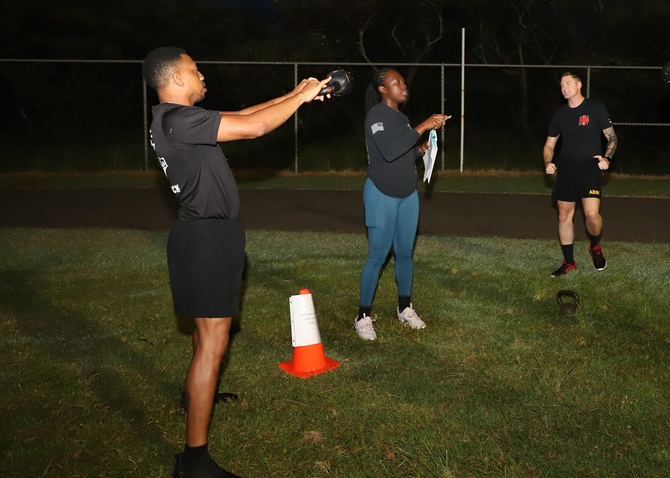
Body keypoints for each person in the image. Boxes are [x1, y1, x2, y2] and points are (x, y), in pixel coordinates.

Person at [143, 46, 330, 477]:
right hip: (206, 236)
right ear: (174, 79)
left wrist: (296, 92)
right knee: (214, 341)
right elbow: (255, 127)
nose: (201, 74)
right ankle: (193, 462)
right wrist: (299, 100)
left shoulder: (173, 119)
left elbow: (249, 112)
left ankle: (196, 398)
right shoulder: (177, 119)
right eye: (194, 70)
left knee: (204, 332)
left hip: (206, 234)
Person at [353, 68, 449, 341]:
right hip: (381, 194)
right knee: (377, 256)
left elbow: (403, 156)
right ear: (383, 89)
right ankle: (362, 316)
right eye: (396, 83)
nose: (403, 86)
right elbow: (389, 151)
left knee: (405, 254)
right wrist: (423, 126)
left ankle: (405, 308)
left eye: (403, 82)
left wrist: (420, 151)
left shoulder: (402, 118)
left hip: (408, 195)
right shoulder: (376, 116)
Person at [543, 72, 618, 277]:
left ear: (579, 85)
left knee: (592, 215)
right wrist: (548, 162)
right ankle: (569, 262)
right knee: (563, 216)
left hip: (590, 168)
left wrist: (607, 158)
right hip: (566, 169)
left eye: (568, 83)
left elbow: (611, 138)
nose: (564, 87)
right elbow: (549, 145)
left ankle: (595, 246)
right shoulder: (560, 114)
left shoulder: (595, 108)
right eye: (561, 85)